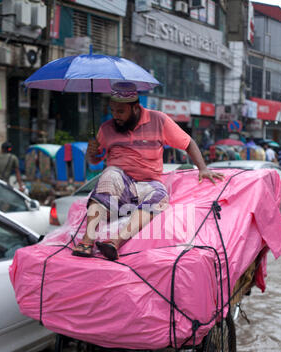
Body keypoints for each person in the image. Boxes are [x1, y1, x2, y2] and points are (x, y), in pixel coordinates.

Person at [72, 82, 224, 261]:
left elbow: (188, 143)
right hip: (118, 184)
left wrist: (203, 169)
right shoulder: (106, 128)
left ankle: (114, 242)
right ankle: (87, 241)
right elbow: (95, 161)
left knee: (160, 195)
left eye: (120, 111)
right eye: (112, 110)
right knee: (111, 173)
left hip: (148, 183)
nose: (115, 116)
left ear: (135, 108)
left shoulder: (159, 120)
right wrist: (92, 154)